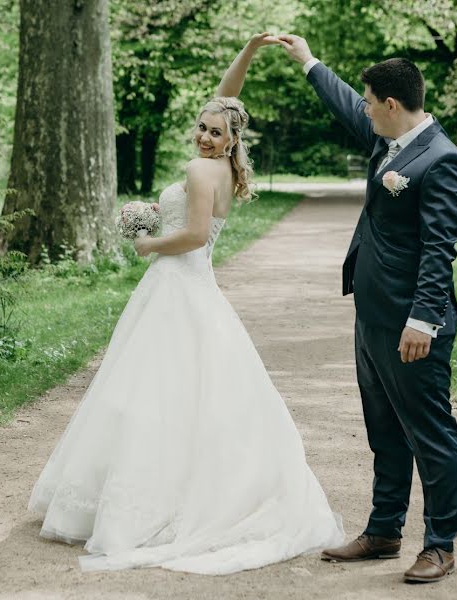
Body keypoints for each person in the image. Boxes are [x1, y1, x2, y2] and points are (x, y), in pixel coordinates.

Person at [27, 34, 344, 575]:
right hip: (194, 288)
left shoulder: (202, 171)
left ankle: (147, 508)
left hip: (178, 281)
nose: (203, 135)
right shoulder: (224, 168)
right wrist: (248, 51)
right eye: (201, 126)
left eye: (214, 132)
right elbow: (226, 100)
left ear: (228, 141)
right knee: (182, 392)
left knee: (151, 393)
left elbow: (196, 234)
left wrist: (149, 241)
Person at [275, 34, 457, 583]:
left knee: (429, 432)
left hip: (412, 324)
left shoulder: (441, 160)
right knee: (383, 427)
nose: (362, 107)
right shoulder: (390, 141)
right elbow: (343, 103)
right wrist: (310, 60)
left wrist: (422, 320)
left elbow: (439, 250)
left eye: (369, 100)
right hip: (372, 315)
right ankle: (384, 529)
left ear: (390, 104)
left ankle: (440, 543)